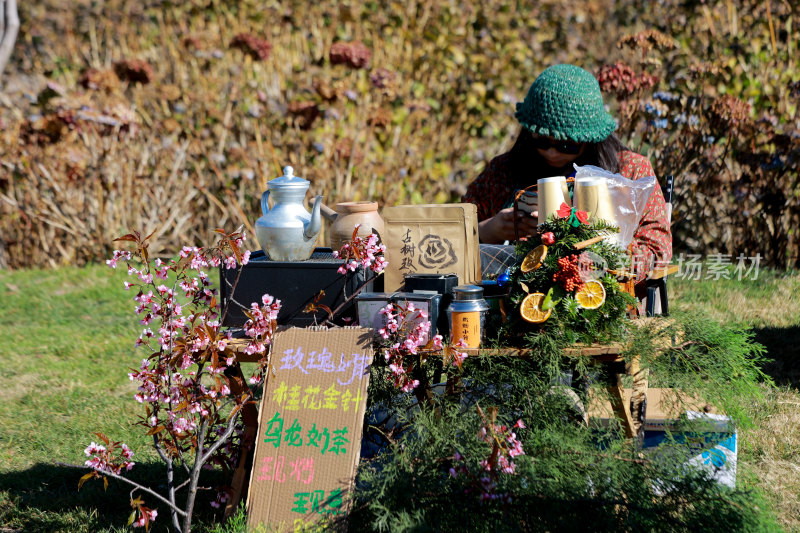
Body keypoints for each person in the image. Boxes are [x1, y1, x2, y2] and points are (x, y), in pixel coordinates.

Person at [463, 64, 672, 283]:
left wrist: (604, 251)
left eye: (567, 145)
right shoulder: (503, 171)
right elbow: (451, 237)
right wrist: (488, 230)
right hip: (507, 300)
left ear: (592, 139)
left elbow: (658, 248)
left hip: (601, 297)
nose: (552, 151)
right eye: (541, 140)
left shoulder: (631, 171)